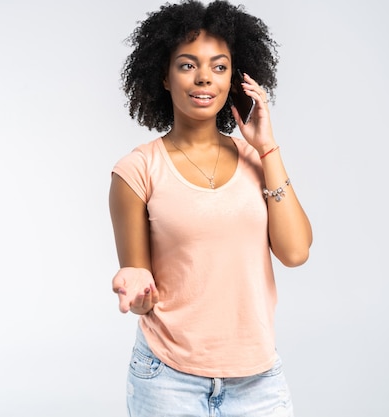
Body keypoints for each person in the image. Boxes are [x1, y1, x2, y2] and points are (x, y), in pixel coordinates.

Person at [108, 1, 313, 416]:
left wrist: (267, 147)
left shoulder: (257, 160)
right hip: (167, 376)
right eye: (187, 65)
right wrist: (138, 291)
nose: (204, 77)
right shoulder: (137, 170)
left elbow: (295, 253)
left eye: (219, 67)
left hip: (258, 379)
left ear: (234, 77)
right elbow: (142, 284)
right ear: (163, 76)